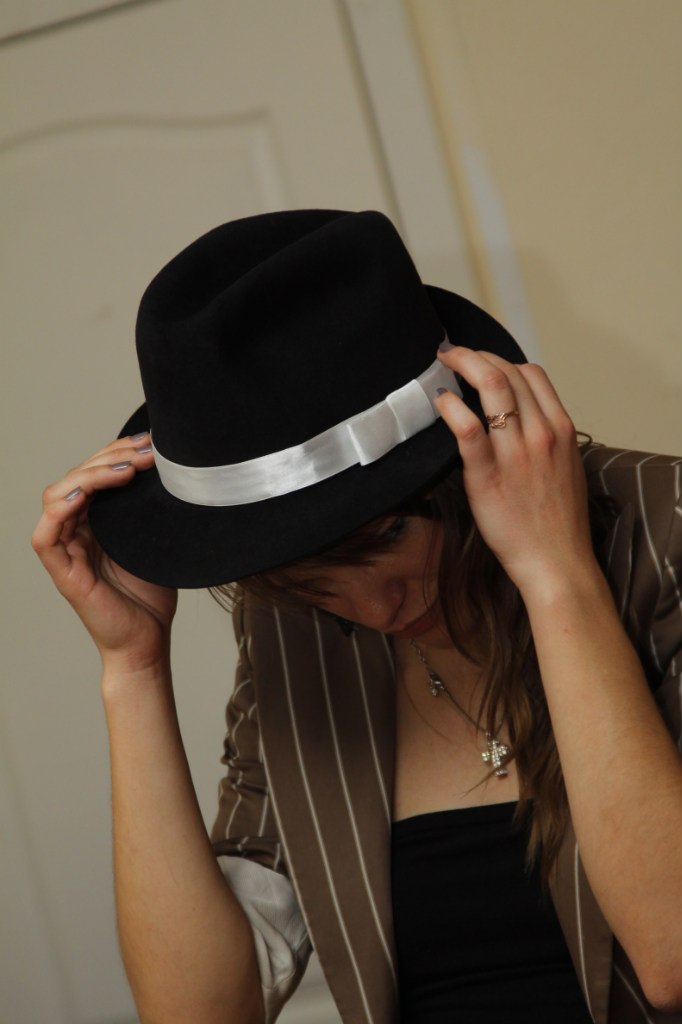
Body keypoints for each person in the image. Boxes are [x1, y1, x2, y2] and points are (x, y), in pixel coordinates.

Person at [32, 210, 682, 1024]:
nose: (375, 607)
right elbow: (200, 1012)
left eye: (389, 536)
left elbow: (673, 956)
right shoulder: (290, 632)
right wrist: (132, 670)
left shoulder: (665, 530)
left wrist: (556, 575)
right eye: (311, 579)